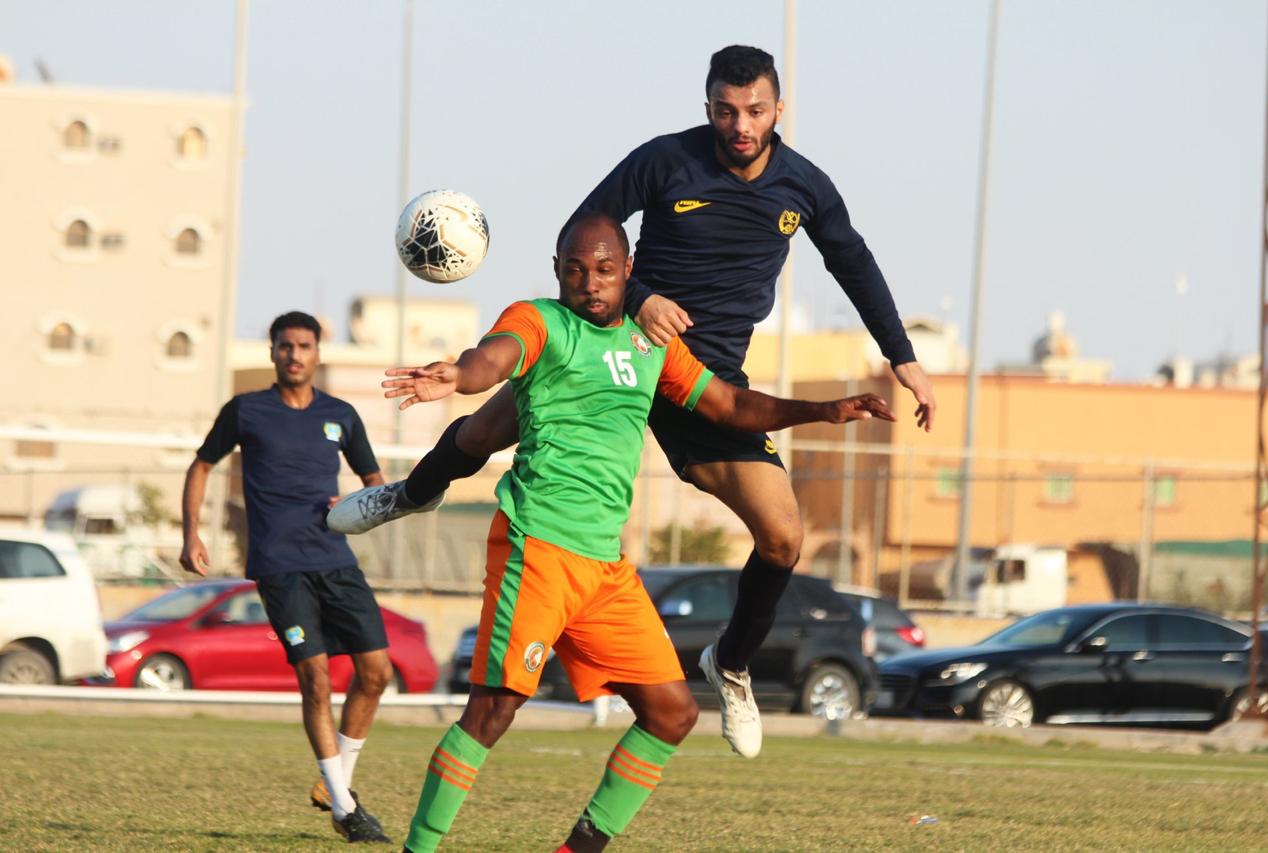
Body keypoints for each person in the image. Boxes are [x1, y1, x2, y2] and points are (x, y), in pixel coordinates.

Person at [329, 44, 934, 760]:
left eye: (756, 110)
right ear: (707, 106)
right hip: (616, 341)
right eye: (725, 110)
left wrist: (903, 356)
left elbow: (853, 261)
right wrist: (640, 299)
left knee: (784, 536)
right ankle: (410, 493)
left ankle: (730, 663)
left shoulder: (804, 186)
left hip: (705, 379)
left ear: (778, 108)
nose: (740, 124)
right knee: (483, 430)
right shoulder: (666, 160)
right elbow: (590, 227)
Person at [338, 214, 893, 852]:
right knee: (492, 711)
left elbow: (732, 408)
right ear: (558, 273)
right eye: (575, 271)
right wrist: (459, 376)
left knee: (673, 714)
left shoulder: (651, 341)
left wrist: (823, 410)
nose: (590, 284)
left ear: (628, 272)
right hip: (538, 548)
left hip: (604, 570)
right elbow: (495, 357)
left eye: (604, 270)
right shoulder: (541, 320)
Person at [181, 311, 393, 844]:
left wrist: (358, 506)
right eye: (285, 346)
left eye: (303, 346)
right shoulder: (246, 410)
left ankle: (334, 783)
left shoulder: (340, 415)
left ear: (318, 353)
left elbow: (374, 480)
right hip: (279, 564)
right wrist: (191, 535)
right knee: (315, 677)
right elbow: (202, 464)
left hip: (336, 559)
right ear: (272, 352)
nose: (294, 355)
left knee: (377, 672)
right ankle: (346, 810)